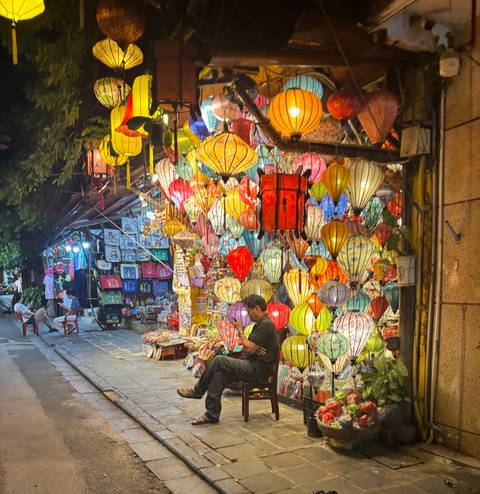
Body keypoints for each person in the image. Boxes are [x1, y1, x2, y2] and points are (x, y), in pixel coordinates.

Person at [177, 294, 279, 425]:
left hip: (257, 371)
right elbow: (249, 348)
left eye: (249, 311)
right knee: (219, 376)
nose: (248, 315)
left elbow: (248, 346)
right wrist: (249, 345)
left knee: (219, 359)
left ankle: (198, 390)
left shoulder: (266, 324)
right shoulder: (260, 324)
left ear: (257, 308)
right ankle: (211, 414)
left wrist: (245, 340)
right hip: (249, 365)